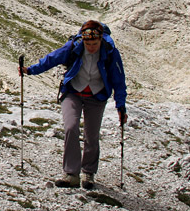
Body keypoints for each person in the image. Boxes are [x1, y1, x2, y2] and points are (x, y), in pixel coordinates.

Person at [19, 20, 127, 189]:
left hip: (96, 96)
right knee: (70, 127)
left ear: (101, 41)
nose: (91, 47)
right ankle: (71, 174)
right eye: (88, 43)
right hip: (73, 92)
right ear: (82, 40)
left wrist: (121, 106)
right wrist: (30, 70)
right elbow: (52, 58)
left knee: (91, 135)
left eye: (95, 43)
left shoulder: (110, 52)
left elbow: (119, 80)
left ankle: (88, 173)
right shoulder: (74, 46)